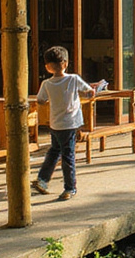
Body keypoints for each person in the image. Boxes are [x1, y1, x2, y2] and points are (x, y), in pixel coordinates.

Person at [32, 45, 102, 201]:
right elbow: (89, 92)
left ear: (47, 67)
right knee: (68, 156)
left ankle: (42, 180)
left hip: (55, 124)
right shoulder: (73, 79)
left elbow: (40, 100)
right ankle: (70, 188)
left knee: (54, 151)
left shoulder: (46, 84)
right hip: (70, 124)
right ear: (65, 63)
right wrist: (95, 89)